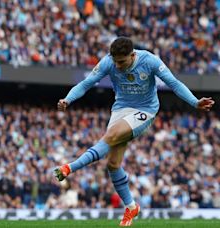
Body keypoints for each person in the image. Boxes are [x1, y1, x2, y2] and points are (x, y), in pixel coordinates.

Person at [53, 37, 214, 226]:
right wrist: (68, 99)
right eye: (115, 61)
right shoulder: (108, 62)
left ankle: (69, 167)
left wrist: (195, 102)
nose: (117, 65)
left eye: (121, 61)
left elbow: (174, 84)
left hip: (145, 110)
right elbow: (86, 83)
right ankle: (131, 207)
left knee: (110, 136)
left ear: (133, 55)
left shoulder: (150, 61)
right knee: (113, 165)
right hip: (120, 108)